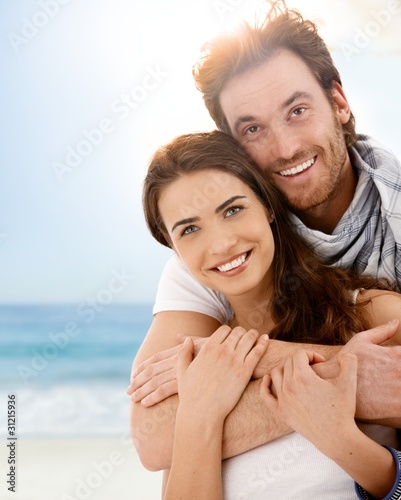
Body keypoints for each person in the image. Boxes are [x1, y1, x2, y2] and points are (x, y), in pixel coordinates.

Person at [129, 3, 401, 473]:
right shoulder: (224, 253)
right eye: (252, 128)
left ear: (338, 103)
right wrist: (344, 376)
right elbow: (155, 438)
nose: (285, 147)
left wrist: (227, 365)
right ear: (233, 146)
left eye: (297, 110)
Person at [141, 130, 401, 498]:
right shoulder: (197, 370)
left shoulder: (362, 313)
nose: (220, 244)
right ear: (174, 249)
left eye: (232, 210)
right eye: (190, 229)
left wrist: (273, 362)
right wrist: (200, 412)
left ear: (267, 205)